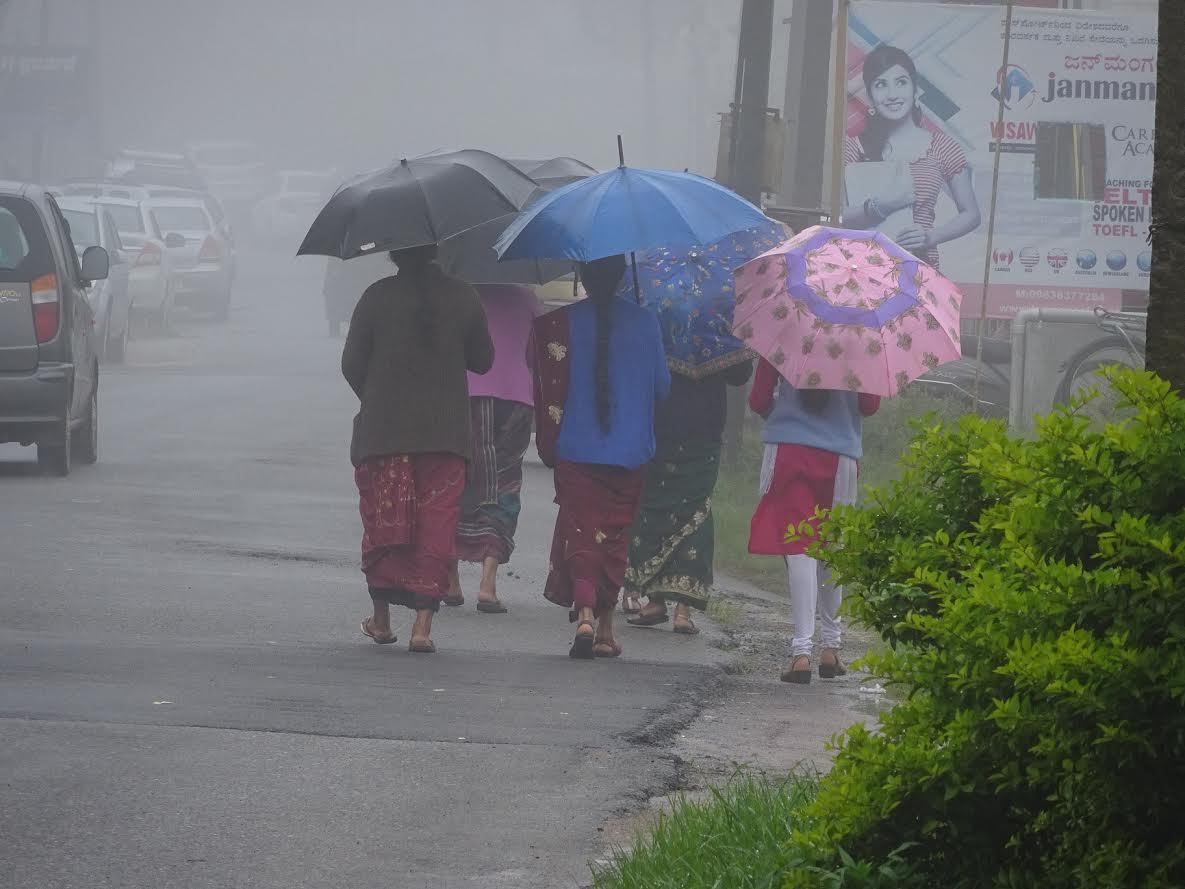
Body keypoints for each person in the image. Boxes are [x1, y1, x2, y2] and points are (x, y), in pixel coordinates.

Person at [341, 244, 494, 653]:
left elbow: (351, 363)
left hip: (383, 434)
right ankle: (422, 628)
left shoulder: (376, 296)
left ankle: (382, 619)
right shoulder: (463, 295)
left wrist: (374, 397)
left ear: (393, 253)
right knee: (435, 526)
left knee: (383, 525)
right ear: (437, 250)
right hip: (444, 436)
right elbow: (484, 360)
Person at [532, 255, 670, 659]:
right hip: (630, 451)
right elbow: (662, 388)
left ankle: (587, 612)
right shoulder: (645, 322)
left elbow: (540, 377)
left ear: (582, 278)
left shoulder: (560, 325)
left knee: (581, 530)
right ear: (624, 276)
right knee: (614, 536)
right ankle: (607, 628)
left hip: (576, 448)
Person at [747, 358, 880, 683]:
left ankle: (801, 652)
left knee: (799, 548)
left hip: (790, 449)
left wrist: (782, 412)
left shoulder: (786, 324)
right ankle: (831, 648)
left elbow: (758, 400)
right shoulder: (861, 338)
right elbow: (869, 404)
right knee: (833, 547)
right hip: (840, 454)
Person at [623, 361, 753, 634]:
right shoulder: (722, 320)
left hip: (663, 418)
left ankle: (655, 600)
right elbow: (740, 375)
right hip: (703, 425)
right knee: (696, 509)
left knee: (655, 506)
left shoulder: (658, 317)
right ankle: (683, 610)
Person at [444, 284, 540, 613]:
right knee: (506, 481)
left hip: (463, 396)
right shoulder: (526, 298)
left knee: (458, 478)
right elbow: (535, 355)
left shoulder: (458, 296)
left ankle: (451, 579)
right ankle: (487, 583)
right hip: (515, 400)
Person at [842, 44, 981, 270]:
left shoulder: (942, 146)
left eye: (901, 82)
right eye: (881, 85)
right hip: (864, 270)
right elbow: (838, 216)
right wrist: (877, 208)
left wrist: (931, 237)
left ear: (915, 90)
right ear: (869, 96)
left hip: (919, 270)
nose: (892, 94)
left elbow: (971, 214)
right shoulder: (853, 147)